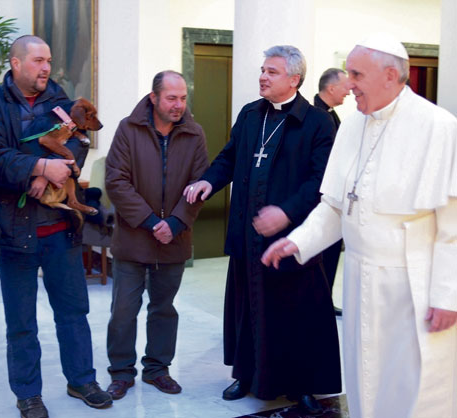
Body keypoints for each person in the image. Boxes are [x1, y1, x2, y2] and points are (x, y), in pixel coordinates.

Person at [263, 34, 457, 418]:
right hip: (358, 278)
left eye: (356, 74)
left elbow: (453, 226)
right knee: (365, 375)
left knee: (413, 385)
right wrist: (298, 240)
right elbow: (335, 205)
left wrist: (447, 295)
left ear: (390, 75)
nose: (348, 84)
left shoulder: (438, 126)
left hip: (411, 284)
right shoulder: (352, 126)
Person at [185, 46, 341, 415]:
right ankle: (248, 374)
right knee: (248, 307)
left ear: (294, 79)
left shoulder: (316, 123)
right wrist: (209, 181)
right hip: (248, 234)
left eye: (272, 72)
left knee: (295, 314)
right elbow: (229, 157)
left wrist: (286, 213)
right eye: (262, 70)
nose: (263, 77)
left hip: (292, 239)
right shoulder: (250, 115)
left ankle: (301, 385)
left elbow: (320, 181)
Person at [0, 35, 111, 417]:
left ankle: (81, 379)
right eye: (38, 61)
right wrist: (38, 167)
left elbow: (79, 140)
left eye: (48, 60)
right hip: (13, 232)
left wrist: (53, 174)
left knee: (73, 312)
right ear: (16, 64)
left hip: (59, 229)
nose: (46, 68)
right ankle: (28, 393)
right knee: (21, 322)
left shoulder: (59, 98)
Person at [104, 70, 208, 400]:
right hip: (134, 238)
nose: (178, 105)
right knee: (123, 311)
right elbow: (116, 182)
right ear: (154, 98)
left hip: (174, 240)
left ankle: (157, 369)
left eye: (183, 98)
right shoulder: (128, 129)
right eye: (171, 98)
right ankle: (121, 372)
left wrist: (176, 223)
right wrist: (151, 222)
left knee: (164, 309)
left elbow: (201, 184)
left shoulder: (195, 134)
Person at [314, 68, 350, 316]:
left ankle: (324, 298)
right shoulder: (318, 116)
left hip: (334, 195)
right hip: (322, 198)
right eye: (345, 85)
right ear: (331, 88)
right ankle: (319, 301)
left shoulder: (330, 114)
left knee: (331, 254)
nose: (349, 90)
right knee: (322, 255)